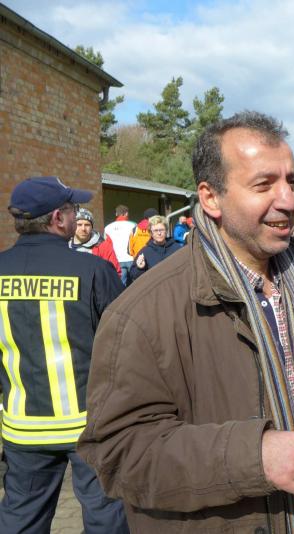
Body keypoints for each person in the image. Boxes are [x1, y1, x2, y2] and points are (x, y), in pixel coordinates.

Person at [77, 112, 294, 533]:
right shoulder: (141, 311)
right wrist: (252, 456)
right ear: (211, 198)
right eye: (264, 185)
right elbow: (119, 453)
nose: (289, 200)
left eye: (291, 181)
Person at [0, 176, 128, 533]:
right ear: (58, 218)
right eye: (72, 209)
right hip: (89, 424)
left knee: (20, 518)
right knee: (106, 516)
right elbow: (127, 344)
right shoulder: (93, 270)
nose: (76, 216)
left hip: (22, 427)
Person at [126, 215, 182, 286]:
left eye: (161, 230)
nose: (159, 233)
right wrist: (140, 268)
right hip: (155, 290)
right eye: (155, 230)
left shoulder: (176, 248)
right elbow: (134, 275)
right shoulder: (145, 252)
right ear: (151, 233)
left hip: (174, 287)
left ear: (166, 231)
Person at [69, 207, 122, 276]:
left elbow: (115, 273)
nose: (83, 228)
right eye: (79, 225)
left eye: (87, 225)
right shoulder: (64, 245)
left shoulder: (103, 246)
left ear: (92, 227)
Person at [104, 204, 137, 285]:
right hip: (131, 258)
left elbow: (106, 246)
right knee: (136, 284)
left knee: (120, 286)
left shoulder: (108, 227)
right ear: (126, 213)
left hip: (116, 260)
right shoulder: (134, 225)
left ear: (116, 214)